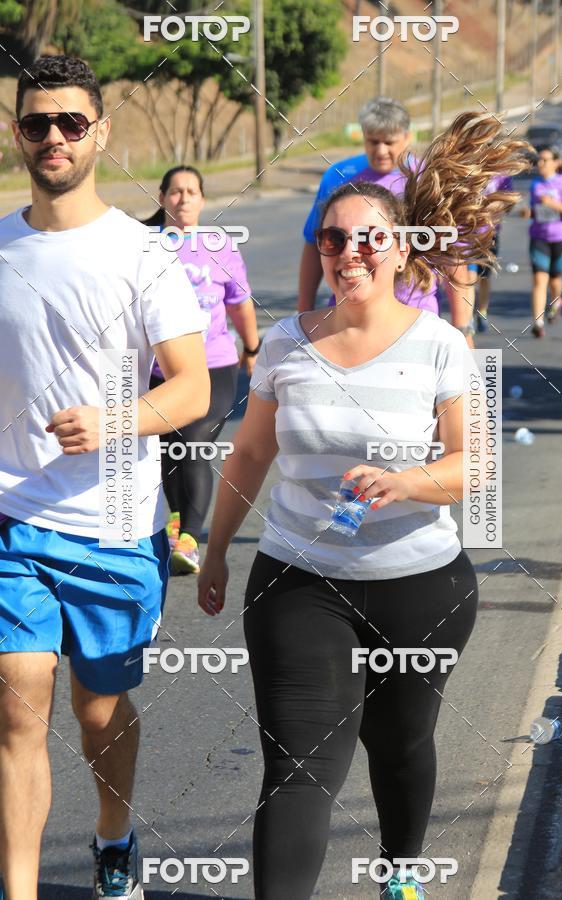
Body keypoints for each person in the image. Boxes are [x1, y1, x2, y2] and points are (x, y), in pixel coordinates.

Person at [198, 113, 527, 900]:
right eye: (334, 240)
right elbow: (248, 455)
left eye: (370, 239)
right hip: (300, 581)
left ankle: (402, 870)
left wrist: (406, 482)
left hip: (421, 586)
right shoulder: (284, 344)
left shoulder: (445, 343)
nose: (351, 253)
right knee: (300, 762)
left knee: (401, 740)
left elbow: (475, 466)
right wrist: (213, 552)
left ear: (402, 249)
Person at [0, 55, 210, 899]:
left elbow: (191, 388)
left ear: (100, 134)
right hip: (16, 516)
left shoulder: (143, 253)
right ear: (17, 134)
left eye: (71, 123)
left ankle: (115, 835)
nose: (53, 137)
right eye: (36, 123)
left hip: (117, 523)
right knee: (18, 705)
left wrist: (115, 420)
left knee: (98, 713)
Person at [143, 166, 260, 575]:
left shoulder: (219, 244)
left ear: (203, 200)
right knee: (163, 449)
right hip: (158, 370)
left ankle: (190, 538)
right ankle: (174, 522)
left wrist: (252, 347)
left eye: (192, 191)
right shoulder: (144, 245)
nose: (183, 199)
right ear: (162, 197)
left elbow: (239, 303)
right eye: (175, 191)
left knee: (192, 440)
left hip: (215, 365)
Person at [297, 96, 477, 345]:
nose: (381, 150)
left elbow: (452, 256)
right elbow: (314, 243)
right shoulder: (338, 175)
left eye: (389, 142)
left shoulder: (429, 180)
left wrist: (463, 327)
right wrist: (303, 311)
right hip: (349, 314)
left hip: (414, 312)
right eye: (373, 141)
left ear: (407, 137)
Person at [521, 146, 562, 337]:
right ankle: (537, 323)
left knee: (554, 280)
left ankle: (556, 301)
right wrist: (527, 212)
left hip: (560, 236)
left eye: (545, 160)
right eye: (539, 160)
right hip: (539, 236)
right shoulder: (536, 184)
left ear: (556, 163)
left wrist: (552, 203)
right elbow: (534, 210)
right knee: (539, 279)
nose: (541, 164)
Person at [468, 174, 515, 333]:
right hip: (466, 234)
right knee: (468, 277)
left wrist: (492, 205)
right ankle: (467, 316)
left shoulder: (502, 177)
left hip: (489, 234)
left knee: (483, 277)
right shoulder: (470, 169)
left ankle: (482, 311)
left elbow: (509, 203)